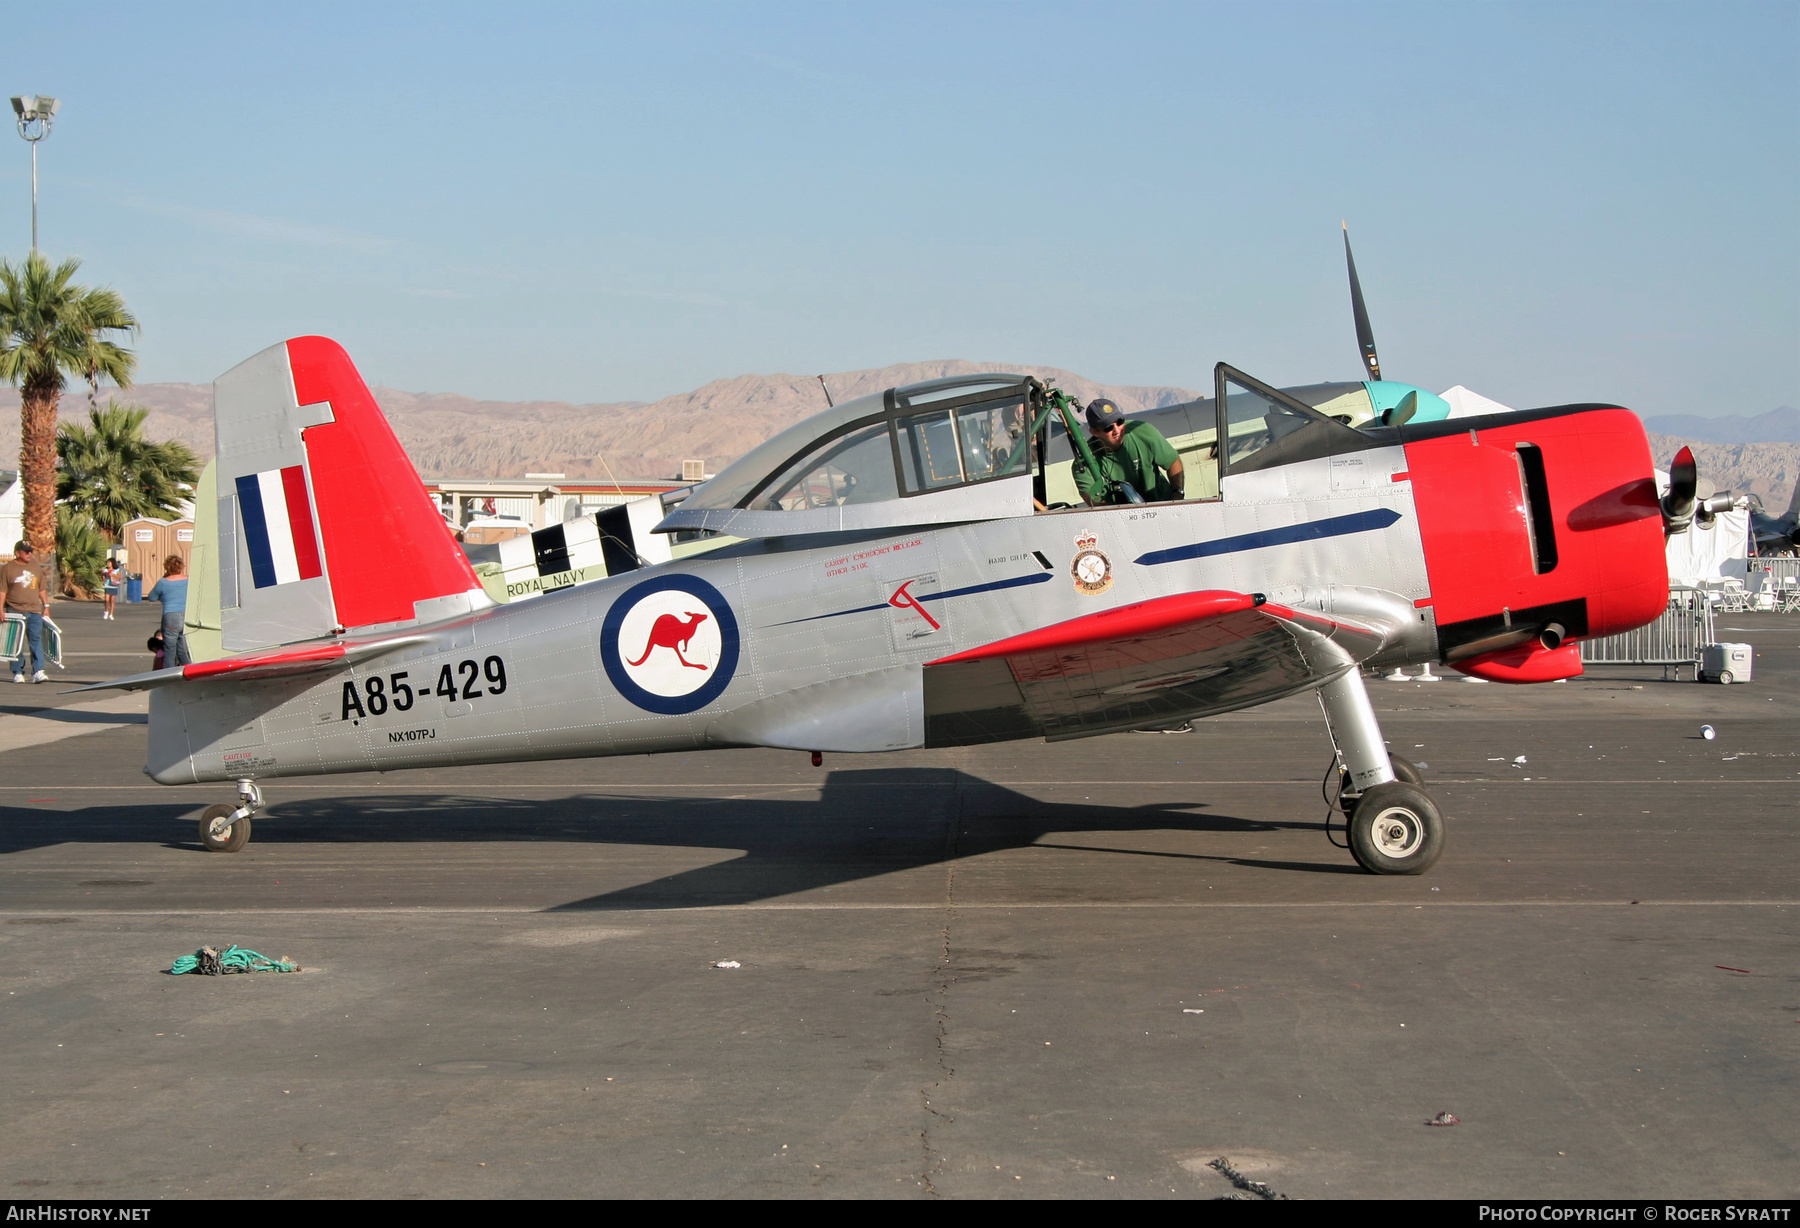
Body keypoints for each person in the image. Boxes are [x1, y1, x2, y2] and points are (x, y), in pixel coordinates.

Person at [1073, 398, 1185, 506]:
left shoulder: (1144, 432)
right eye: (1108, 427)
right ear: (1094, 432)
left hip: (1162, 503)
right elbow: (1097, 504)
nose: (1117, 430)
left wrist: (1177, 493)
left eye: (1120, 422)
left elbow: (1173, 462)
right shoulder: (1084, 463)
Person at [2, 540, 51, 683]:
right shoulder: (7, 569)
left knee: (36, 640)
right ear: (18, 553)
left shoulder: (35, 567)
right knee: (16, 643)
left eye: (31, 551)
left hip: (34, 610)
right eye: (26, 551)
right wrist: (1, 610)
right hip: (15, 610)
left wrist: (46, 606)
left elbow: (41, 588)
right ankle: (17, 671)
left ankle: (38, 671)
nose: (30, 554)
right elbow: (2, 590)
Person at [145, 554, 191, 668]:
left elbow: (151, 597)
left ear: (167, 567)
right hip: (186, 615)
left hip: (171, 616)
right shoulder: (189, 580)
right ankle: (189, 670)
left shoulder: (163, 582)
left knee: (169, 649)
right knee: (182, 648)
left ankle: (168, 673)